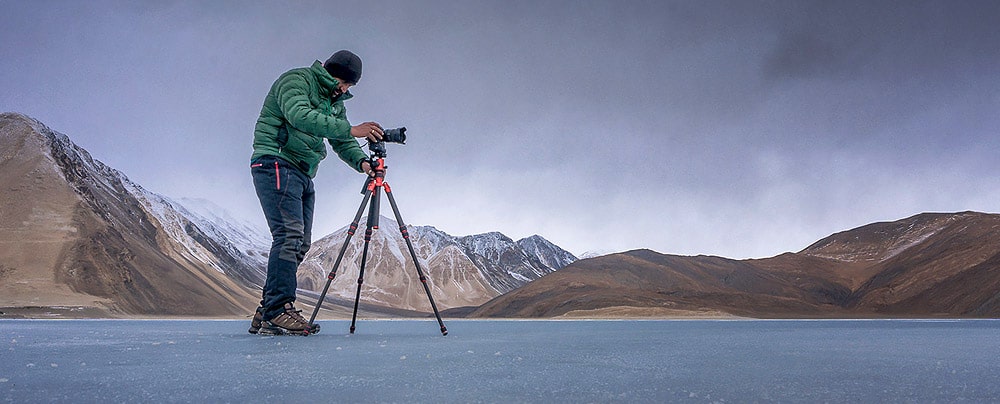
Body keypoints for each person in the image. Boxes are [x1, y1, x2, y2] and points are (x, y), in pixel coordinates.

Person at [247, 50, 383, 335]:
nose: (345, 90)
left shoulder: (334, 102)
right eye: (343, 83)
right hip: (276, 161)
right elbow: (300, 116)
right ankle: (278, 309)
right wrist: (352, 128)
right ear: (332, 73)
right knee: (288, 236)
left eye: (349, 87)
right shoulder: (296, 81)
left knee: (300, 243)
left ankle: (269, 307)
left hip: (303, 171)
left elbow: (341, 138)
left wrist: (361, 163)